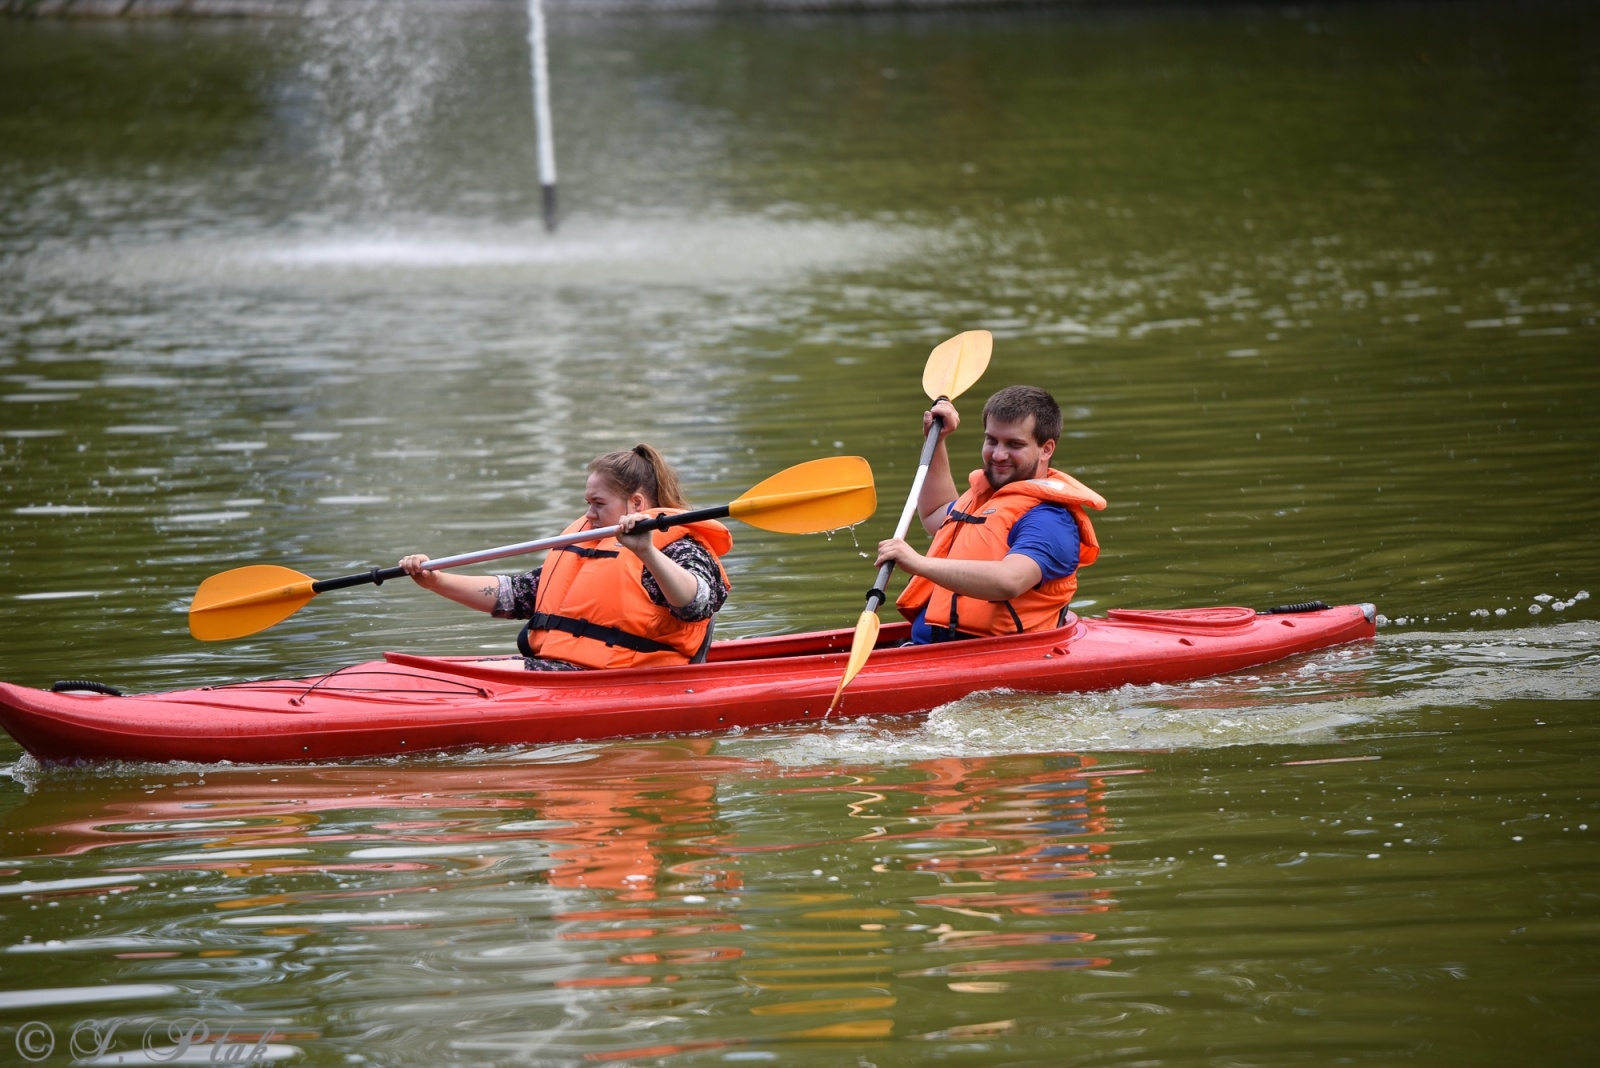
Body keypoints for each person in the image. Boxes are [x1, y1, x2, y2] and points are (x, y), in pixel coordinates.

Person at [400, 444, 731, 670]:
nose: (589, 513)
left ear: (637, 503)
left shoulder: (679, 547)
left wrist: (645, 550)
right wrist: (435, 581)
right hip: (557, 671)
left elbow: (697, 603)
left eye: (599, 503)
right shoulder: (590, 543)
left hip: (627, 680)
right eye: (588, 502)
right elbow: (516, 595)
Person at [875, 385, 1105, 643]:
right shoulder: (986, 500)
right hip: (930, 650)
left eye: (1014, 444)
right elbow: (934, 514)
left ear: (1046, 449)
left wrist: (919, 563)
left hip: (996, 655)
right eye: (991, 440)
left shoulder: (1049, 520)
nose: (998, 454)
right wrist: (935, 441)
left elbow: (1009, 580)